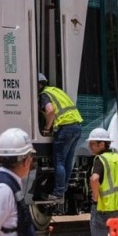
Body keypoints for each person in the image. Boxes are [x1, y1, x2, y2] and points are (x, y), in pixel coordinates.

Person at [37, 72, 83, 201]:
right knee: (68, 161)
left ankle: (57, 193)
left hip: (65, 128)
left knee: (60, 162)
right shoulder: (55, 90)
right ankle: (62, 190)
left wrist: (47, 128)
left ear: (38, 85)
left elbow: (50, 111)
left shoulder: (44, 95)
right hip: (77, 126)